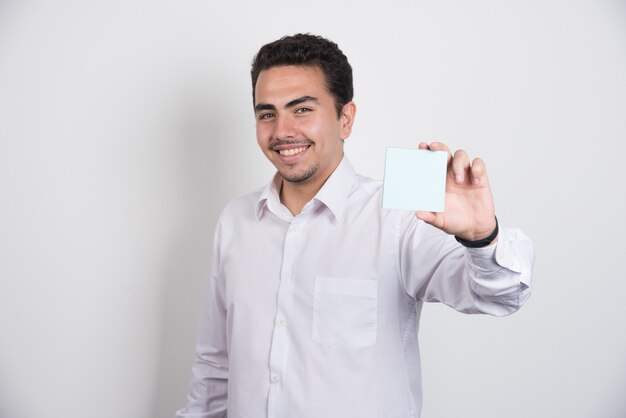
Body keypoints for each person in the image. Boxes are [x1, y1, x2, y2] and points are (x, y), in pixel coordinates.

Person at [175, 33, 533, 418]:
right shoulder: (235, 220)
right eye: (267, 114)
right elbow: (215, 368)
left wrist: (481, 238)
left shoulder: (399, 216)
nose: (281, 131)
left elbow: (502, 295)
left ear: (345, 119)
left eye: (302, 109)